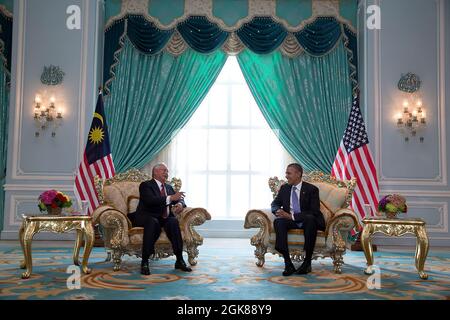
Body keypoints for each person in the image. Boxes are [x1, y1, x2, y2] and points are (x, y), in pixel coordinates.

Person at [128, 163, 192, 275]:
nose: (166, 173)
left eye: (167, 171)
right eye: (164, 170)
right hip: (147, 216)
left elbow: (180, 200)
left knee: (173, 221)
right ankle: (144, 262)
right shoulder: (145, 185)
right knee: (153, 222)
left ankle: (179, 260)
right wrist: (171, 198)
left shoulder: (168, 187)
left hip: (164, 217)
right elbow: (150, 201)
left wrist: (180, 205)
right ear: (155, 172)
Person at [271, 163, 325, 276]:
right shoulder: (285, 188)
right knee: (278, 222)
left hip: (306, 220)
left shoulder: (312, 189)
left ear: (298, 174)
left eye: (288, 173)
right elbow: (275, 203)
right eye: (286, 173)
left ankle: (307, 263)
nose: (286, 176)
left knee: (311, 219)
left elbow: (314, 211)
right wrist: (277, 211)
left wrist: (292, 216)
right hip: (289, 221)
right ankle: (288, 263)